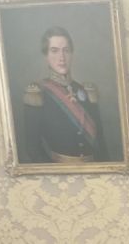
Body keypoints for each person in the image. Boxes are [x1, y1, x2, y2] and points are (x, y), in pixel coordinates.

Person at [19, 26, 108, 163]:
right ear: (46, 56)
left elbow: (101, 145)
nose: (62, 58)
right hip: (58, 171)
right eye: (54, 51)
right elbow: (33, 149)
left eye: (66, 50)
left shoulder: (86, 91)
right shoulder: (37, 94)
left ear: (72, 54)